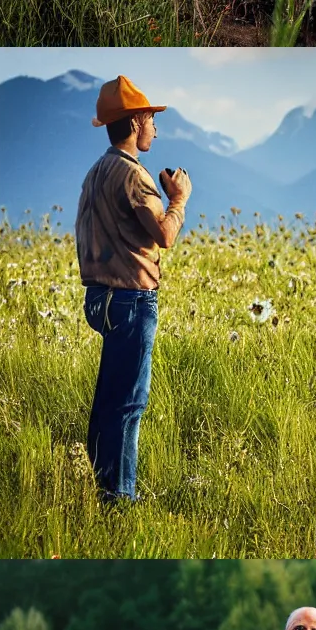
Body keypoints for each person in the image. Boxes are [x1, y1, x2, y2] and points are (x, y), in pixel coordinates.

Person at [74, 77, 189, 505]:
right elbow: (164, 234)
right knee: (129, 405)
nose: (156, 129)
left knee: (108, 399)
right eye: (153, 120)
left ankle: (99, 486)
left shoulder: (96, 172)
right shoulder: (134, 176)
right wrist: (178, 198)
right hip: (130, 299)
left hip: (98, 298)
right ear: (137, 121)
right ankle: (119, 498)